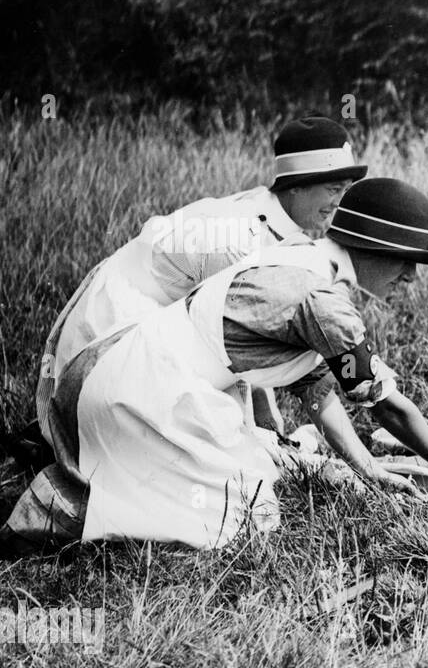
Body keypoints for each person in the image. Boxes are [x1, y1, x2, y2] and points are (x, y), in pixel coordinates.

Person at [2, 179, 428, 553]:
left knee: (245, 493)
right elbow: (385, 406)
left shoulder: (299, 258)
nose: (412, 276)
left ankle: (68, 488)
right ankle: (53, 515)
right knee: (236, 523)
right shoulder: (323, 301)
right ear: (371, 247)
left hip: (121, 368)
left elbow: (316, 391)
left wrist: (368, 467)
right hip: (146, 391)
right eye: (406, 260)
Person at [35, 116, 367, 442]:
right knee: (224, 447)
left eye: (345, 189)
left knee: (247, 438)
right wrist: (260, 423)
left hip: (156, 319)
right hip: (114, 329)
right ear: (298, 185)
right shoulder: (241, 239)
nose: (339, 201)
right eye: (333, 188)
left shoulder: (269, 216)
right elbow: (227, 337)